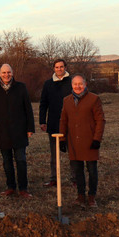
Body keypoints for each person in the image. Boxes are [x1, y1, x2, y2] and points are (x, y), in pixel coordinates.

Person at [0, 64, 35, 199]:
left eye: (8, 72)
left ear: (12, 73)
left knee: (21, 160)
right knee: (7, 161)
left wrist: (30, 128)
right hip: (1, 132)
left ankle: (23, 188)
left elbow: (28, 109)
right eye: (4, 72)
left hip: (19, 131)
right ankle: (11, 187)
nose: (6, 75)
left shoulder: (21, 87)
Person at [59, 74, 105, 208]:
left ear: (85, 85)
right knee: (77, 170)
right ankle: (80, 196)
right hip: (73, 141)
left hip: (90, 141)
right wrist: (62, 139)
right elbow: (63, 121)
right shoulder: (66, 100)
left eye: (80, 84)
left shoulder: (94, 99)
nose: (78, 86)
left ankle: (91, 197)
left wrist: (97, 139)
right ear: (71, 85)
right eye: (75, 84)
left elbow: (100, 120)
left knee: (91, 170)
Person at [39, 59, 73, 187]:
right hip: (53, 124)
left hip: (70, 124)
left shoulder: (72, 82)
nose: (59, 69)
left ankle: (75, 179)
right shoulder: (48, 84)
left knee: (73, 153)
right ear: (53, 68)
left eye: (61, 67)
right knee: (54, 155)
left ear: (65, 67)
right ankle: (54, 179)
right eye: (57, 67)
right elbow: (43, 103)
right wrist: (42, 121)